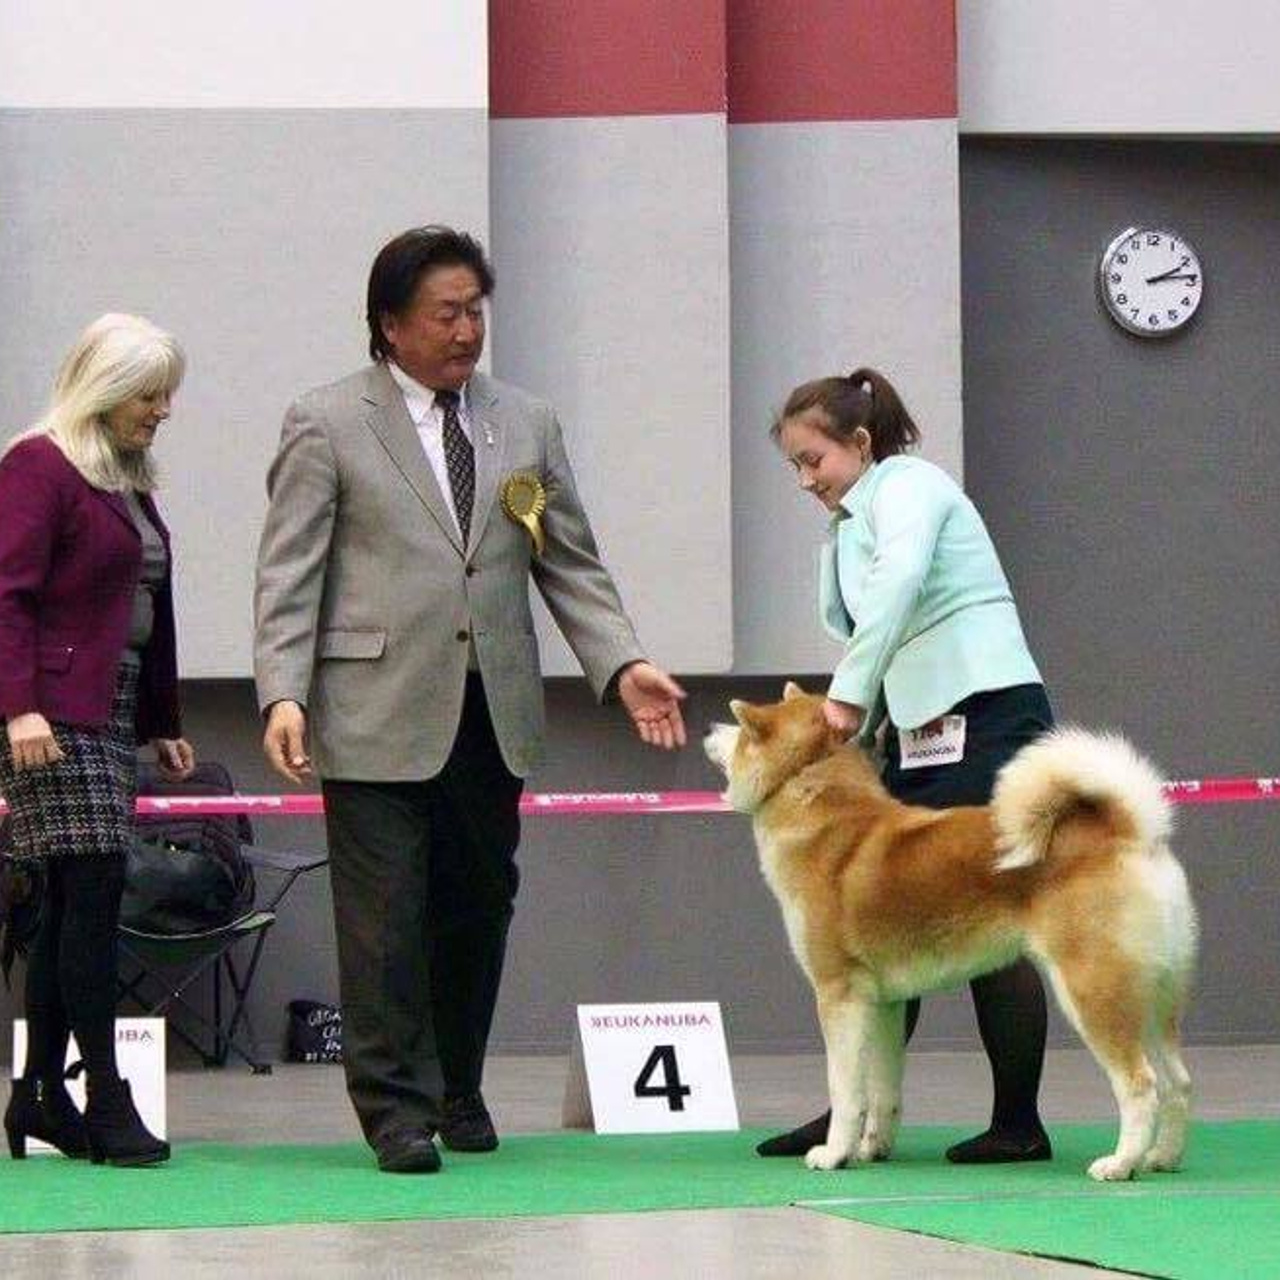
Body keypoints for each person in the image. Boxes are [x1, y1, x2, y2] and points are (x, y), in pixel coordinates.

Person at [253, 225, 687, 1175]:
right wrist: (282, 693)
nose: (465, 332)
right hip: (370, 707)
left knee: (477, 907)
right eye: (445, 314)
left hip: (493, 709)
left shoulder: (522, 423)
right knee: (384, 919)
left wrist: (621, 664)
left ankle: (458, 1084)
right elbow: (290, 573)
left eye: (475, 312)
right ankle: (395, 1109)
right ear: (390, 324)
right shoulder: (325, 421)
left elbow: (564, 556)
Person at [759, 367, 1054, 1164]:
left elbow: (901, 586)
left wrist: (847, 697)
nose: (804, 479)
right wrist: (871, 725)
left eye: (812, 460)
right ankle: (855, 1116)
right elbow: (877, 625)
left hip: (988, 713)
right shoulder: (849, 523)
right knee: (884, 921)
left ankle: (1017, 1122)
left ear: (859, 443)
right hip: (922, 731)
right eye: (794, 465)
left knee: (1004, 914)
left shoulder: (910, 485)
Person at [0, 313, 196, 1167]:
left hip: (109, 709)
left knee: (72, 904)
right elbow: (6, 595)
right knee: (94, 894)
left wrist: (161, 722)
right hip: (53, 715)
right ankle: (104, 1096)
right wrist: (18, 710)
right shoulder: (38, 467)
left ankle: (38, 1093)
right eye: (150, 395)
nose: (162, 410)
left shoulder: (123, 478)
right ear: (106, 392)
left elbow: (145, 605)